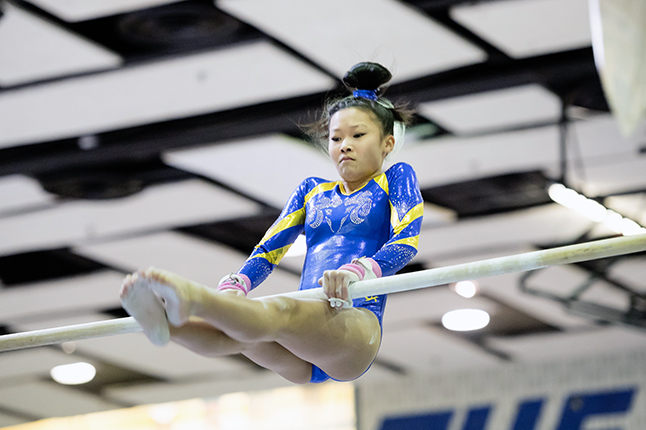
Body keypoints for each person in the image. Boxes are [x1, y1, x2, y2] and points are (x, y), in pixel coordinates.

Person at [120, 62, 424, 384]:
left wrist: (361, 270)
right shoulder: (312, 190)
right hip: (304, 332)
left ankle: (193, 298)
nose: (344, 145)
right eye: (336, 138)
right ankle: (166, 325)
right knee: (241, 335)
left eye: (358, 135)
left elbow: (407, 240)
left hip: (355, 327)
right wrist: (239, 283)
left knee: (278, 311)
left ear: (387, 144)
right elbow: (269, 249)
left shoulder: (395, 178)